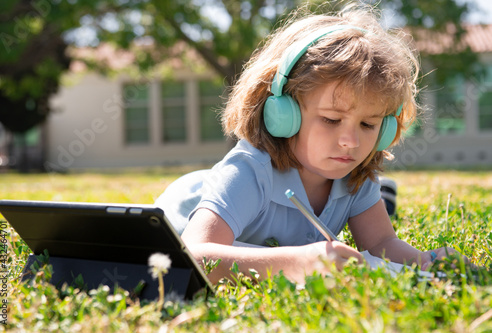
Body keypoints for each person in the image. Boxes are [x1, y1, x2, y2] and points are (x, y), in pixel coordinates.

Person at [155, 4, 465, 284]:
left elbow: (381, 245)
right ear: (282, 114)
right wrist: (296, 261)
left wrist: (428, 260)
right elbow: (194, 257)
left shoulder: (356, 176)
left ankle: (387, 195)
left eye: (368, 124)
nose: (350, 141)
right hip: (186, 205)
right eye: (331, 120)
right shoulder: (249, 173)